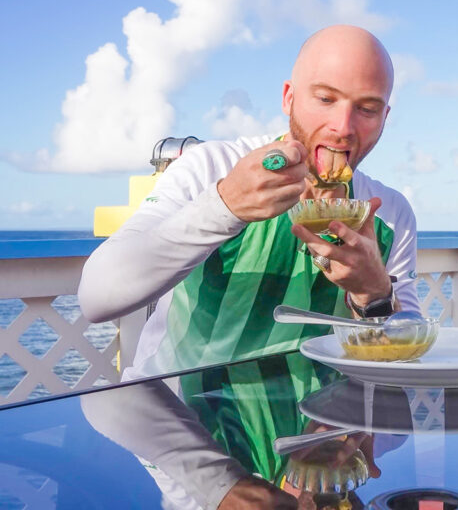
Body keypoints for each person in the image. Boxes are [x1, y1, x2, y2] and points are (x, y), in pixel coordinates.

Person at [78, 25, 419, 380]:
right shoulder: (211, 167)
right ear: (289, 98)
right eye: (325, 99)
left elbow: (407, 361)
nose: (343, 126)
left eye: (366, 108)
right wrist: (225, 205)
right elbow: (97, 297)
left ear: (384, 118)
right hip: (183, 420)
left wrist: (375, 294)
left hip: (321, 426)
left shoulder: (389, 214)